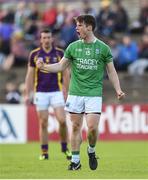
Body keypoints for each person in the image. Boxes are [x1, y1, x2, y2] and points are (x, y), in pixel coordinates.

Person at [36, 15, 125, 170]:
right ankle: (75, 162)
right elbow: (61, 66)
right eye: (76, 25)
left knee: (91, 128)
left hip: (93, 93)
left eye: (79, 25)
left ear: (89, 27)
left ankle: (91, 150)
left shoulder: (103, 48)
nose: (76, 28)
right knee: (76, 126)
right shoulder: (73, 47)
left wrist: (118, 90)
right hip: (75, 93)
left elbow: (111, 71)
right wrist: (44, 67)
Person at [24, 29, 71, 160]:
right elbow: (30, 75)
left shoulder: (60, 53)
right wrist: (28, 93)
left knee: (62, 121)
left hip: (57, 91)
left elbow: (66, 73)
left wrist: (67, 90)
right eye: (44, 37)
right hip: (41, 92)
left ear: (52, 39)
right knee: (43, 122)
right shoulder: (34, 54)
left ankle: (64, 147)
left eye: (48, 37)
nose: (46, 40)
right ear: (40, 39)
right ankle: (44, 152)